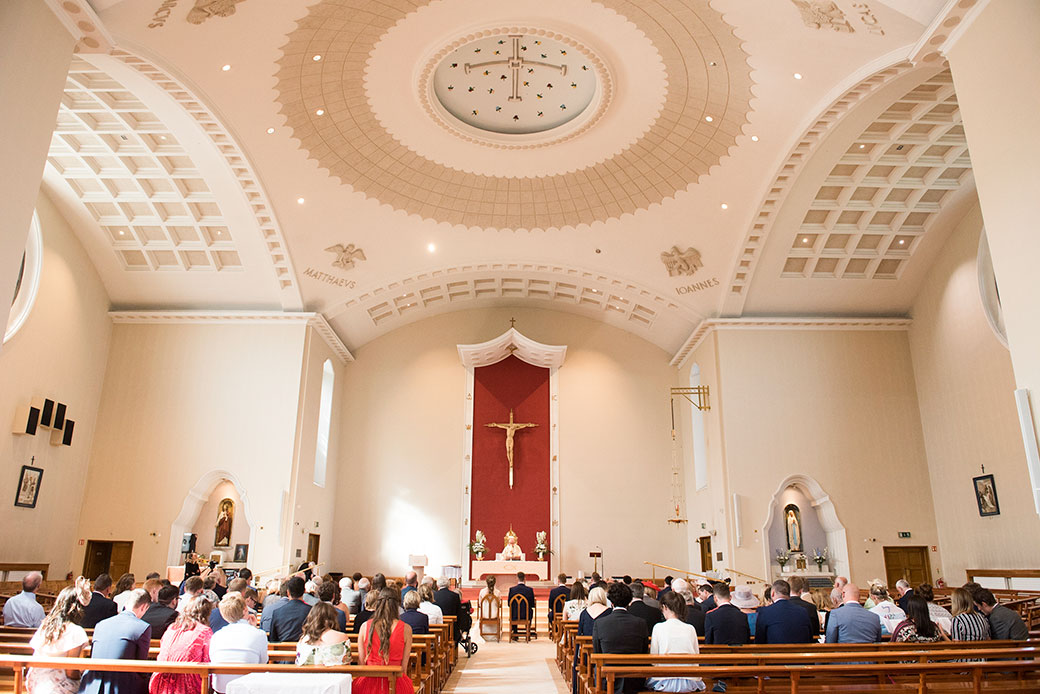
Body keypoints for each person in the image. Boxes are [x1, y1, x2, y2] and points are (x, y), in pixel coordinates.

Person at [80, 589, 153, 694]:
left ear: (126, 603)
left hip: (92, 682)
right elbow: (141, 666)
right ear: (144, 607)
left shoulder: (101, 624)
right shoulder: (143, 627)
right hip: (120, 685)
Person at [27, 578, 91, 694]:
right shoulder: (75, 631)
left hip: (35, 681)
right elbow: (71, 671)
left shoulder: (46, 626)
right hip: (57, 686)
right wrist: (82, 675)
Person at [592, 582, 648, 694]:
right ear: (629, 601)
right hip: (634, 679)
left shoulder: (600, 623)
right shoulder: (640, 623)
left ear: (611, 602)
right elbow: (644, 650)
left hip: (607, 678)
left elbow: (597, 651)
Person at [354, 590, 414, 694]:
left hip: (369, 682)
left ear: (378, 604)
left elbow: (361, 663)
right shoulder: (406, 629)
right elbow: (404, 668)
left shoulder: (365, 626)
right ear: (397, 605)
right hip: (395, 681)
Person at [149, 596, 213, 694]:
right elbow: (207, 660)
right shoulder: (204, 631)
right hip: (187, 684)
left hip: (160, 681)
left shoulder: (172, 627)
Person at [209, 592, 269, 694]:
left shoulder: (216, 636)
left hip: (222, 688)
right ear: (245, 610)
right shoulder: (259, 634)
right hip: (248, 688)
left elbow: (213, 658)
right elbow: (263, 662)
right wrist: (254, 629)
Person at [647, 591, 704, 693]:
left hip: (664, 680)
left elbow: (653, 659)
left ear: (665, 607)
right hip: (689, 681)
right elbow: (696, 655)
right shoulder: (690, 628)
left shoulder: (658, 627)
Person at [754, 580, 812, 644]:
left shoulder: (764, 612)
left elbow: (759, 641)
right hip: (800, 650)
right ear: (789, 594)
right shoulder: (803, 611)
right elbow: (810, 637)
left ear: (772, 593)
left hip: (774, 649)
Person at [295, 602, 349, 666]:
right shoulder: (342, 637)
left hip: (308, 672)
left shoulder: (303, 639)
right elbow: (347, 664)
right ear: (333, 618)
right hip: (335, 672)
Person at [269, 576, 312, 642]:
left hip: (282, 647)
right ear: (304, 591)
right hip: (304, 647)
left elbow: (272, 639)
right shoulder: (311, 611)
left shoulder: (277, 612)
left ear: (288, 592)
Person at [508, 572, 536, 640]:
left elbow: (509, 604)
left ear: (517, 578)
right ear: (525, 579)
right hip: (526, 615)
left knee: (513, 610)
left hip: (515, 615)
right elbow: (532, 604)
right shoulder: (529, 590)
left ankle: (515, 632)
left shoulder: (512, 590)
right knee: (530, 610)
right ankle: (527, 631)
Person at [476, 576, 500, 640]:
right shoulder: (497, 592)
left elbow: (480, 604)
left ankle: (483, 633)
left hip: (484, 614)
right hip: (494, 615)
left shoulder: (482, 591)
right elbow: (499, 604)